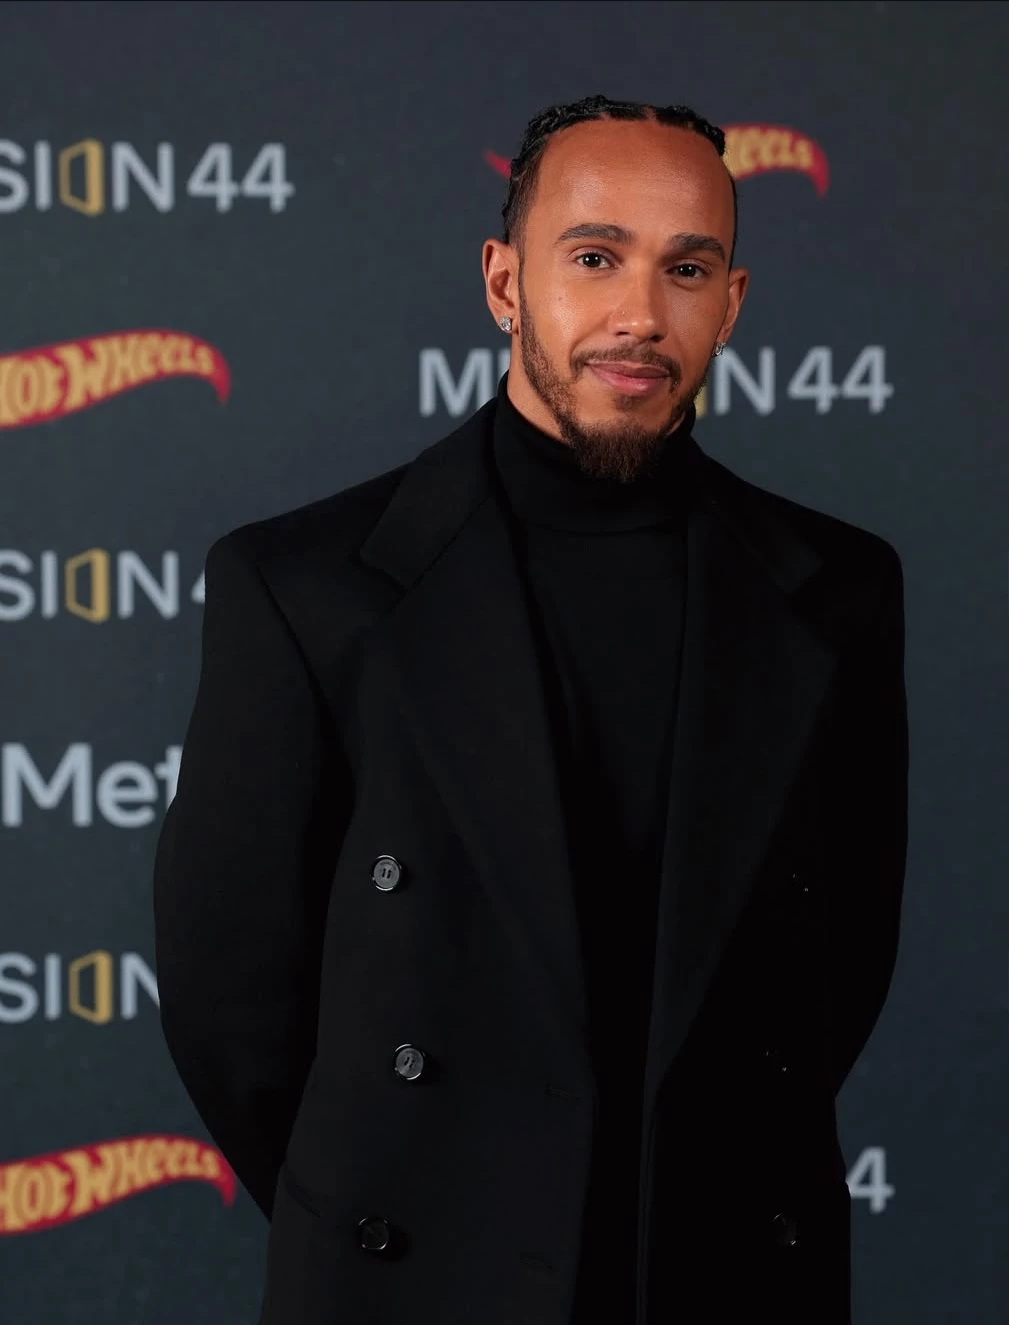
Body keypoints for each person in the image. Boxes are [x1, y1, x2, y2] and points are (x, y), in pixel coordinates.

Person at [153, 93, 908, 1325]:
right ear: (506, 283)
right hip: (412, 1275)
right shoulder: (304, 587)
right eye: (595, 256)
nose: (640, 313)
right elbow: (227, 995)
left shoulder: (837, 592)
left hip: (725, 1269)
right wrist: (399, 1200)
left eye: (686, 269)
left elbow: (840, 970)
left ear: (731, 303)